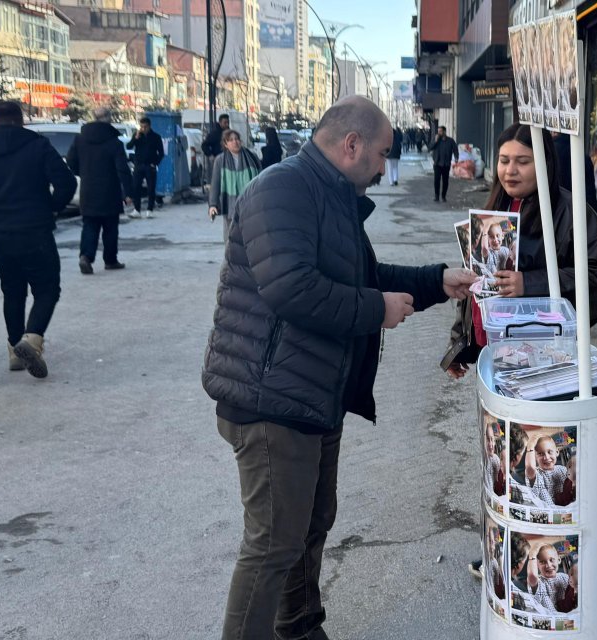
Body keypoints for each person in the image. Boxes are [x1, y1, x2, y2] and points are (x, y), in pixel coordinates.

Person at [200, 95, 475, 640]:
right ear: (351, 145)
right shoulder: (283, 189)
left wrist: (435, 280)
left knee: (309, 528)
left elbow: (362, 274)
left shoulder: (329, 193)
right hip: (269, 399)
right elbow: (293, 291)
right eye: (381, 154)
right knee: (273, 545)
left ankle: (300, 626)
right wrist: (378, 310)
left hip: (311, 395)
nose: (382, 167)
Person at [443, 123, 597, 380]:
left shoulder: (572, 212)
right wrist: (459, 343)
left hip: (542, 353)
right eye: (504, 160)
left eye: (523, 161)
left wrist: (531, 283)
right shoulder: (493, 209)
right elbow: (474, 284)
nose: (510, 171)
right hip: (490, 347)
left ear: (545, 163)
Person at [0, 101, 76, 378]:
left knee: (12, 290)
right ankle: (31, 340)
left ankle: (14, 352)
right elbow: (67, 182)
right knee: (47, 288)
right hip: (35, 228)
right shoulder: (38, 146)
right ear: (20, 121)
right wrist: (51, 206)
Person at [68, 106, 134, 275]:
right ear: (109, 118)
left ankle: (86, 256)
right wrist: (128, 192)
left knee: (89, 225)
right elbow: (122, 169)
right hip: (110, 191)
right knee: (110, 227)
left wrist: (83, 173)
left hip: (88, 190)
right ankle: (110, 260)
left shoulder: (79, 140)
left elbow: (71, 162)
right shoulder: (114, 142)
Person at [207, 129, 261, 239]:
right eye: (230, 140)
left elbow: (261, 178)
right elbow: (215, 183)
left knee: (250, 235)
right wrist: (212, 205)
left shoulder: (252, 157)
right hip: (230, 203)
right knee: (231, 235)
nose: (235, 142)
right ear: (225, 144)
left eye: (236, 139)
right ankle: (231, 256)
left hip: (249, 203)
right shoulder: (220, 160)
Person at [126, 116, 164, 218]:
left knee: (151, 188)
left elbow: (161, 153)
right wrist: (135, 138)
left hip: (150, 166)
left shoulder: (156, 137)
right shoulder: (137, 135)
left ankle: (149, 210)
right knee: (136, 187)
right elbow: (128, 146)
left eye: (145, 127)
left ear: (149, 126)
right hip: (139, 165)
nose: (143, 129)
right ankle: (137, 210)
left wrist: (155, 163)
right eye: (141, 127)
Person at [553, 131, 597, 213]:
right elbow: (590, 196)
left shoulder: (548, 153)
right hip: (578, 213)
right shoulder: (583, 157)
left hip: (555, 212)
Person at [526, 544, 573, 615]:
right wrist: (532, 553)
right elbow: (532, 575)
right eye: (542, 562)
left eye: (551, 560)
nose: (548, 565)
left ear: (559, 560)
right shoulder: (539, 582)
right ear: (537, 565)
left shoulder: (565, 577)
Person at [523, 435, 568, 508]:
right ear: (535, 457)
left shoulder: (563, 470)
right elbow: (530, 467)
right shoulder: (536, 474)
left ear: (557, 452)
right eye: (540, 454)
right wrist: (530, 448)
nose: (546, 457)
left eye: (550, 452)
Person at [429, 125, 458, 202]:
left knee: (445, 181)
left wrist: (456, 157)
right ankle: (436, 196)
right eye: (438, 131)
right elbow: (430, 147)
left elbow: (455, 149)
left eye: (440, 131)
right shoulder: (436, 140)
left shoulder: (450, 141)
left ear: (444, 132)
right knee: (436, 181)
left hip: (446, 164)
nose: (439, 133)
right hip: (437, 164)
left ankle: (443, 196)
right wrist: (435, 141)